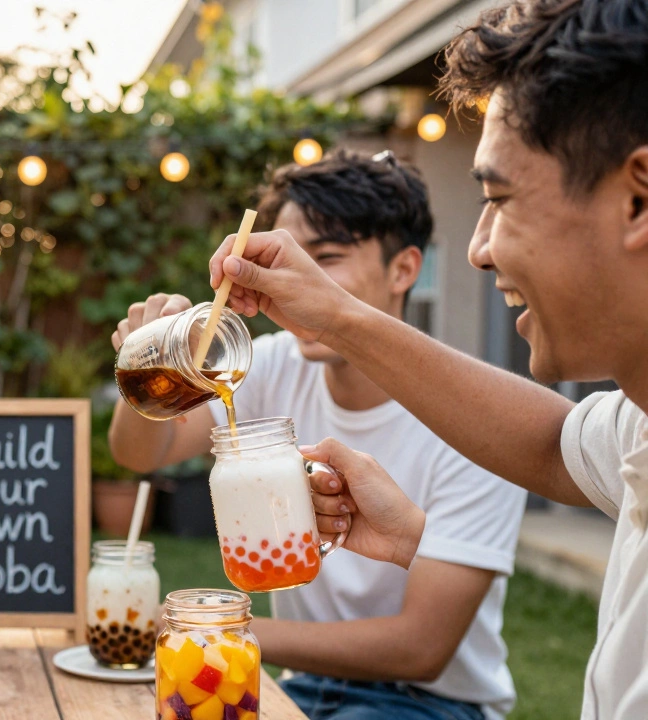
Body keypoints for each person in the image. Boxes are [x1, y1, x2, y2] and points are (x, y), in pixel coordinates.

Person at [208, 1, 648, 716]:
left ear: (637, 199)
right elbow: (552, 448)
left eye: (500, 199)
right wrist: (417, 535)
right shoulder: (637, 428)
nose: (478, 250)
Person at [111, 151, 525, 719]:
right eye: (288, 263)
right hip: (303, 686)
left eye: (326, 259)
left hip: (432, 703)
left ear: (404, 269)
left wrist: (217, 632)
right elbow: (139, 452)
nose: (298, 285)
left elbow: (421, 649)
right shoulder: (268, 365)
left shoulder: (473, 412)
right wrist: (152, 366)